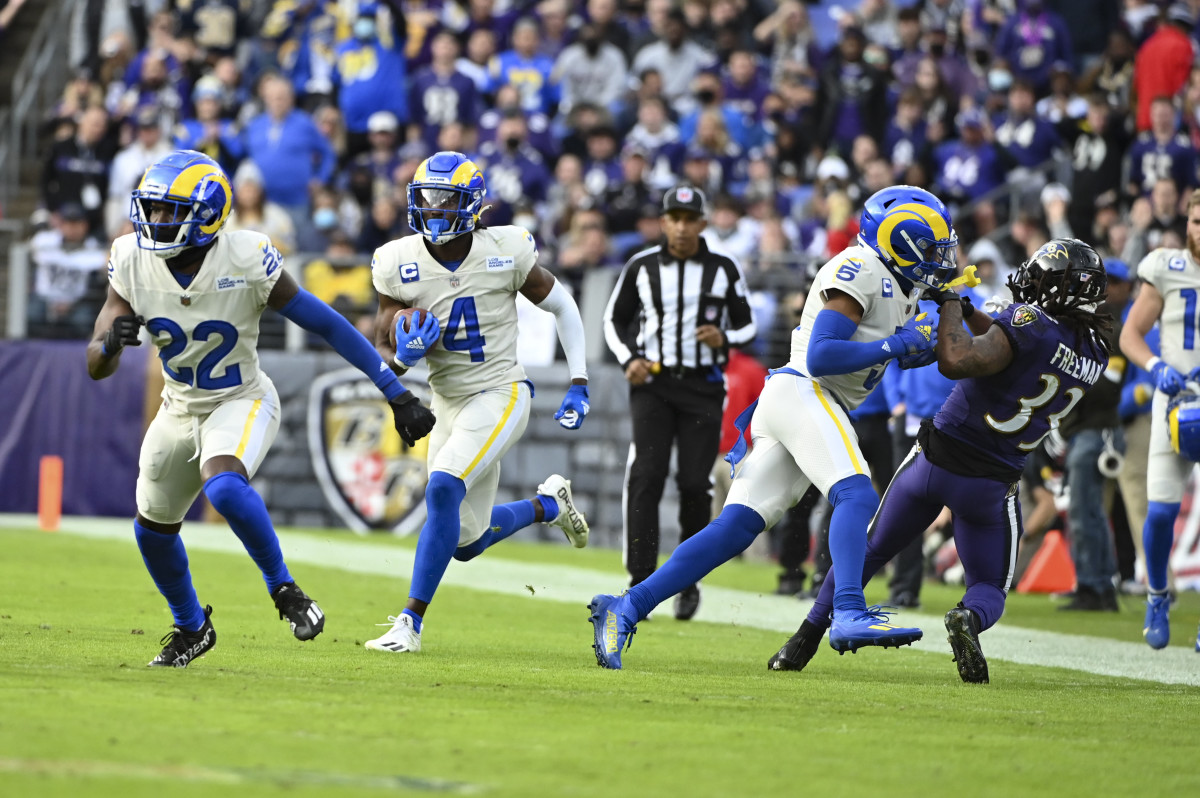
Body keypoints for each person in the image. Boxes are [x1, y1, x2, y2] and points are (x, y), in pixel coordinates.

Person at [87, 150, 437, 668]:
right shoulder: (131, 258)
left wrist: (394, 390)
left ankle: (285, 591)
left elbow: (326, 323)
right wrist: (110, 345)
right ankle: (191, 627)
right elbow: (96, 363)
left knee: (224, 486)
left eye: (169, 211)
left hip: (241, 398)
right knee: (151, 530)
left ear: (208, 213)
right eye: (153, 209)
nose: (156, 221)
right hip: (178, 407)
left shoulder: (246, 256)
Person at [588, 185, 950, 669]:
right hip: (807, 390)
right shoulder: (861, 268)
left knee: (734, 527)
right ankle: (847, 611)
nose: (936, 258)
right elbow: (823, 356)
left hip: (804, 399)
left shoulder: (897, 281)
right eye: (928, 246)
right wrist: (899, 346)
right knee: (857, 493)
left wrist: (918, 343)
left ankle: (625, 607)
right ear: (894, 238)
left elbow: (878, 351)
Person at [769, 239, 1112, 683]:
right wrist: (969, 310)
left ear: (1058, 288)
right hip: (991, 482)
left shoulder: (1030, 322)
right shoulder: (1095, 349)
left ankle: (803, 639)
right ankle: (967, 619)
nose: (1031, 278)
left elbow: (956, 360)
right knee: (988, 588)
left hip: (935, 460)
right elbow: (1015, 344)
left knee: (869, 551)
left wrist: (949, 301)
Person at [364, 151, 592, 654]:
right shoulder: (396, 261)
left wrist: (579, 379)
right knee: (464, 544)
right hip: (447, 400)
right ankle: (547, 505)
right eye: (426, 200)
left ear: (472, 206)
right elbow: (381, 342)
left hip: (501, 391)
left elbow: (562, 304)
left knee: (442, 489)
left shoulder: (505, 248)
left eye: (446, 202)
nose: (435, 211)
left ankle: (410, 623)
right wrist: (400, 357)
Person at [601, 185, 757, 621]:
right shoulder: (641, 266)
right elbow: (613, 319)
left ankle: (687, 581)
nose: (683, 226)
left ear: (702, 224)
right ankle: (640, 582)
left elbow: (748, 326)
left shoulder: (724, 269)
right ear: (664, 222)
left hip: (703, 388)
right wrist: (628, 358)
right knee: (646, 475)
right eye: (675, 218)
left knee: (694, 484)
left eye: (690, 219)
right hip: (653, 384)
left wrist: (725, 338)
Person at [1120, 188, 1200, 649]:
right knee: (1162, 512)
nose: (1198, 232)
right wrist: (1155, 368)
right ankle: (1156, 595)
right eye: (1195, 222)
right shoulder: (1167, 268)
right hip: (1174, 402)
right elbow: (1132, 333)